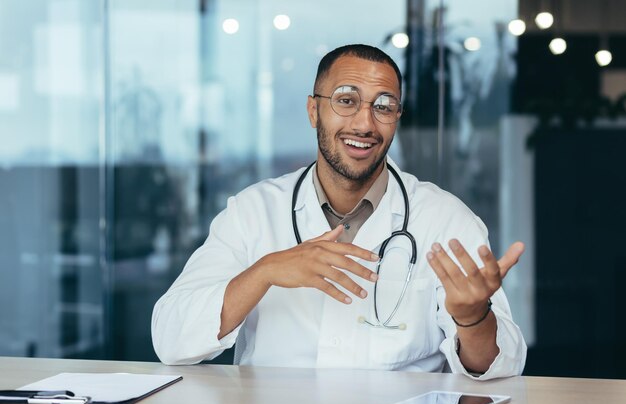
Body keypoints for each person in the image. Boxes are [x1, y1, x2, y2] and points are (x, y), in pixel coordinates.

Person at [151, 44, 526, 380]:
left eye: (383, 106)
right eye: (346, 101)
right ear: (314, 110)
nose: (365, 123)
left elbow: (501, 366)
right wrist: (264, 271)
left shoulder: (445, 219)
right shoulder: (252, 211)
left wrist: (472, 317)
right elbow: (170, 339)